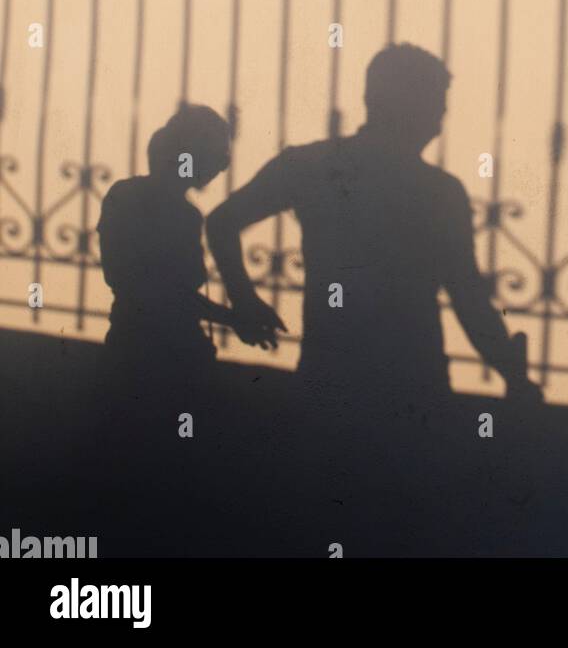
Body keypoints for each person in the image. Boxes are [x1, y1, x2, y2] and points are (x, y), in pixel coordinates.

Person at [206, 45, 541, 413]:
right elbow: (468, 297)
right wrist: (513, 375)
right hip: (414, 383)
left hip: (330, 375)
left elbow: (222, 221)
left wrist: (244, 300)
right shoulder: (438, 192)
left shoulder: (309, 166)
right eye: (435, 103)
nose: (440, 117)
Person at [98, 103, 277, 389]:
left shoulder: (135, 200)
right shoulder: (174, 213)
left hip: (137, 349)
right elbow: (164, 294)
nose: (221, 166)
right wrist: (234, 317)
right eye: (219, 156)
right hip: (154, 358)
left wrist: (235, 317)